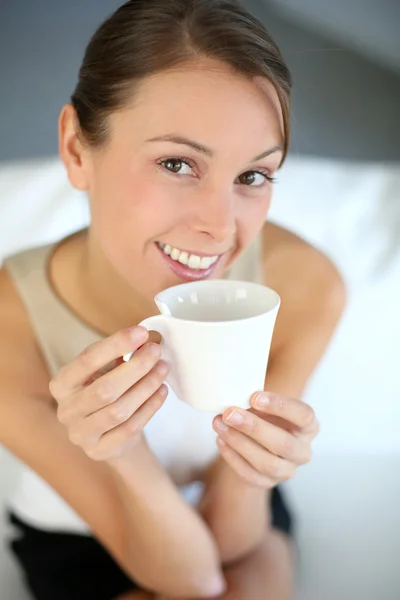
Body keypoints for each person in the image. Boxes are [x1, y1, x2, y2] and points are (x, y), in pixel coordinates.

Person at [0, 1, 345, 599]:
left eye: (253, 176)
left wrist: (250, 475)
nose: (220, 227)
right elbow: (187, 581)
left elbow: (231, 548)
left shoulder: (305, 284)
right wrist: (123, 452)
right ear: (78, 149)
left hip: (241, 513)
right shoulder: (11, 320)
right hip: (76, 535)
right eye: (177, 163)